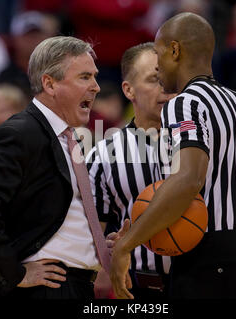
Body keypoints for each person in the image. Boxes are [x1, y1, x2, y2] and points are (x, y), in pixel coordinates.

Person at [110, 12, 236, 299]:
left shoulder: (184, 103)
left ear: (174, 50)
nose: (157, 67)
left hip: (206, 261)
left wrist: (126, 245)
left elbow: (188, 179)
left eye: (158, 54)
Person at [0, 36, 110, 299]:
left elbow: (50, 216)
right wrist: (11, 273)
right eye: (84, 77)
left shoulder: (69, 139)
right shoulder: (20, 132)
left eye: (94, 77)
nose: (95, 87)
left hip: (76, 285)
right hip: (42, 288)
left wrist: (99, 245)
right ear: (49, 83)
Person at [87, 42, 174, 298]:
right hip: (142, 288)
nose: (166, 89)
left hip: (207, 282)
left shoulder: (206, 143)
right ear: (129, 89)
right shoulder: (103, 155)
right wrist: (109, 247)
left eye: (171, 80)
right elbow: (92, 238)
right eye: (154, 80)